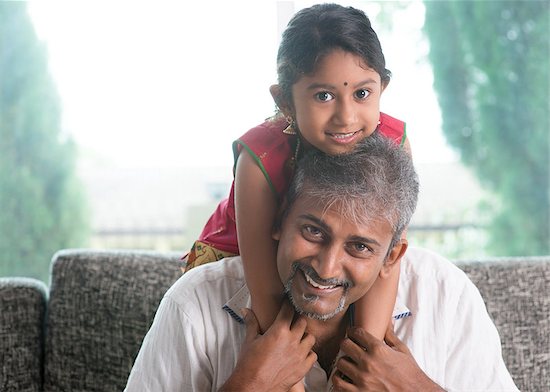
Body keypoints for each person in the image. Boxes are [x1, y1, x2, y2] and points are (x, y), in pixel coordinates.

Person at [125, 133, 518, 391]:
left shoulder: (447, 295)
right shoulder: (194, 304)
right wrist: (247, 386)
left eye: (360, 247)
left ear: (392, 256)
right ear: (278, 221)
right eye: (313, 232)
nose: (326, 269)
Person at [182, 6, 408, 386]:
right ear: (285, 101)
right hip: (249, 249)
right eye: (323, 95)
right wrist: (290, 379)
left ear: (382, 88)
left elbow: (384, 257)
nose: (346, 117)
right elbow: (267, 287)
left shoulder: (394, 143)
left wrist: (362, 362)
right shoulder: (260, 159)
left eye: (363, 93)